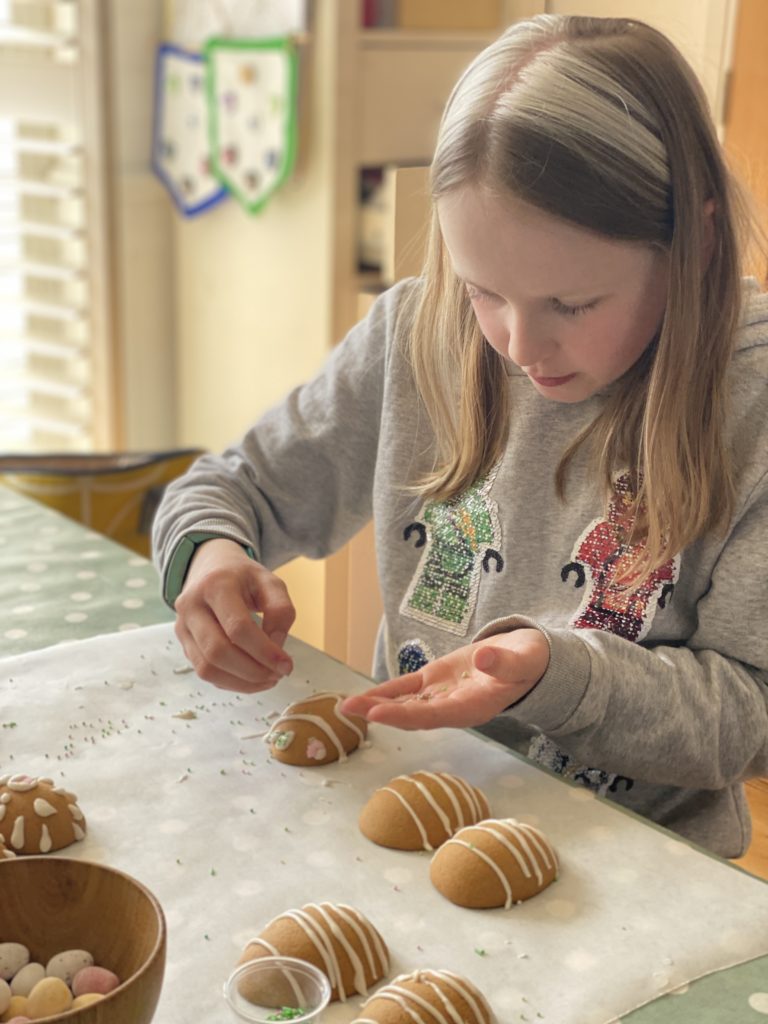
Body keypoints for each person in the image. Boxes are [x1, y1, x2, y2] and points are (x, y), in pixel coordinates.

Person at [153, 14, 768, 859]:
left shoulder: (753, 400)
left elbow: (750, 720)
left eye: (572, 304)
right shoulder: (418, 333)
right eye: (484, 290)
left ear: (693, 245)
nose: (518, 345)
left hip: (638, 868)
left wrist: (561, 677)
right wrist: (211, 559)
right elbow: (224, 490)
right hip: (405, 822)